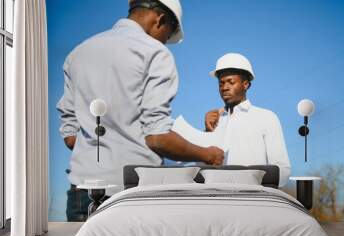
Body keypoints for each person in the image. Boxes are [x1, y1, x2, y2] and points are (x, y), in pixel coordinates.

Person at [57, 0, 224, 221]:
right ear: (160, 20)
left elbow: (70, 136)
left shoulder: (78, 54)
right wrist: (208, 154)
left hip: (82, 192)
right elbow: (157, 138)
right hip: (133, 193)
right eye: (167, 35)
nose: (164, 42)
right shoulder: (155, 53)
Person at [204, 53, 291, 186]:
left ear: (246, 84)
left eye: (231, 82)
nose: (225, 87)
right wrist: (206, 133)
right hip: (218, 201)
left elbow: (283, 171)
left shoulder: (266, 118)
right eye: (221, 83)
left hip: (254, 201)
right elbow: (201, 170)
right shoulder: (215, 122)